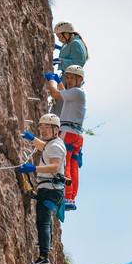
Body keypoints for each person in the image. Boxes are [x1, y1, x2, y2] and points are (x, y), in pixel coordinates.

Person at [18, 114, 67, 264]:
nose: (43, 130)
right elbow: (43, 147)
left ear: (56, 130)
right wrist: (32, 138)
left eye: (47, 127)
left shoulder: (55, 146)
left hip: (49, 189)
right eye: (41, 127)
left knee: (43, 221)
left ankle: (44, 256)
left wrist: (34, 168)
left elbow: (54, 166)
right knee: (45, 220)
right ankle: (48, 246)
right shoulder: (53, 143)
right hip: (52, 189)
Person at [44, 65, 86, 210]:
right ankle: (71, 198)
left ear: (79, 79)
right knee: (73, 166)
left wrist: (50, 81)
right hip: (76, 135)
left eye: (71, 78)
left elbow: (56, 94)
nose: (68, 80)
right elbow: (64, 93)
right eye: (66, 78)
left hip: (67, 132)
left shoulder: (76, 92)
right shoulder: (77, 93)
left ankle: (64, 196)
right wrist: (58, 81)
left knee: (64, 163)